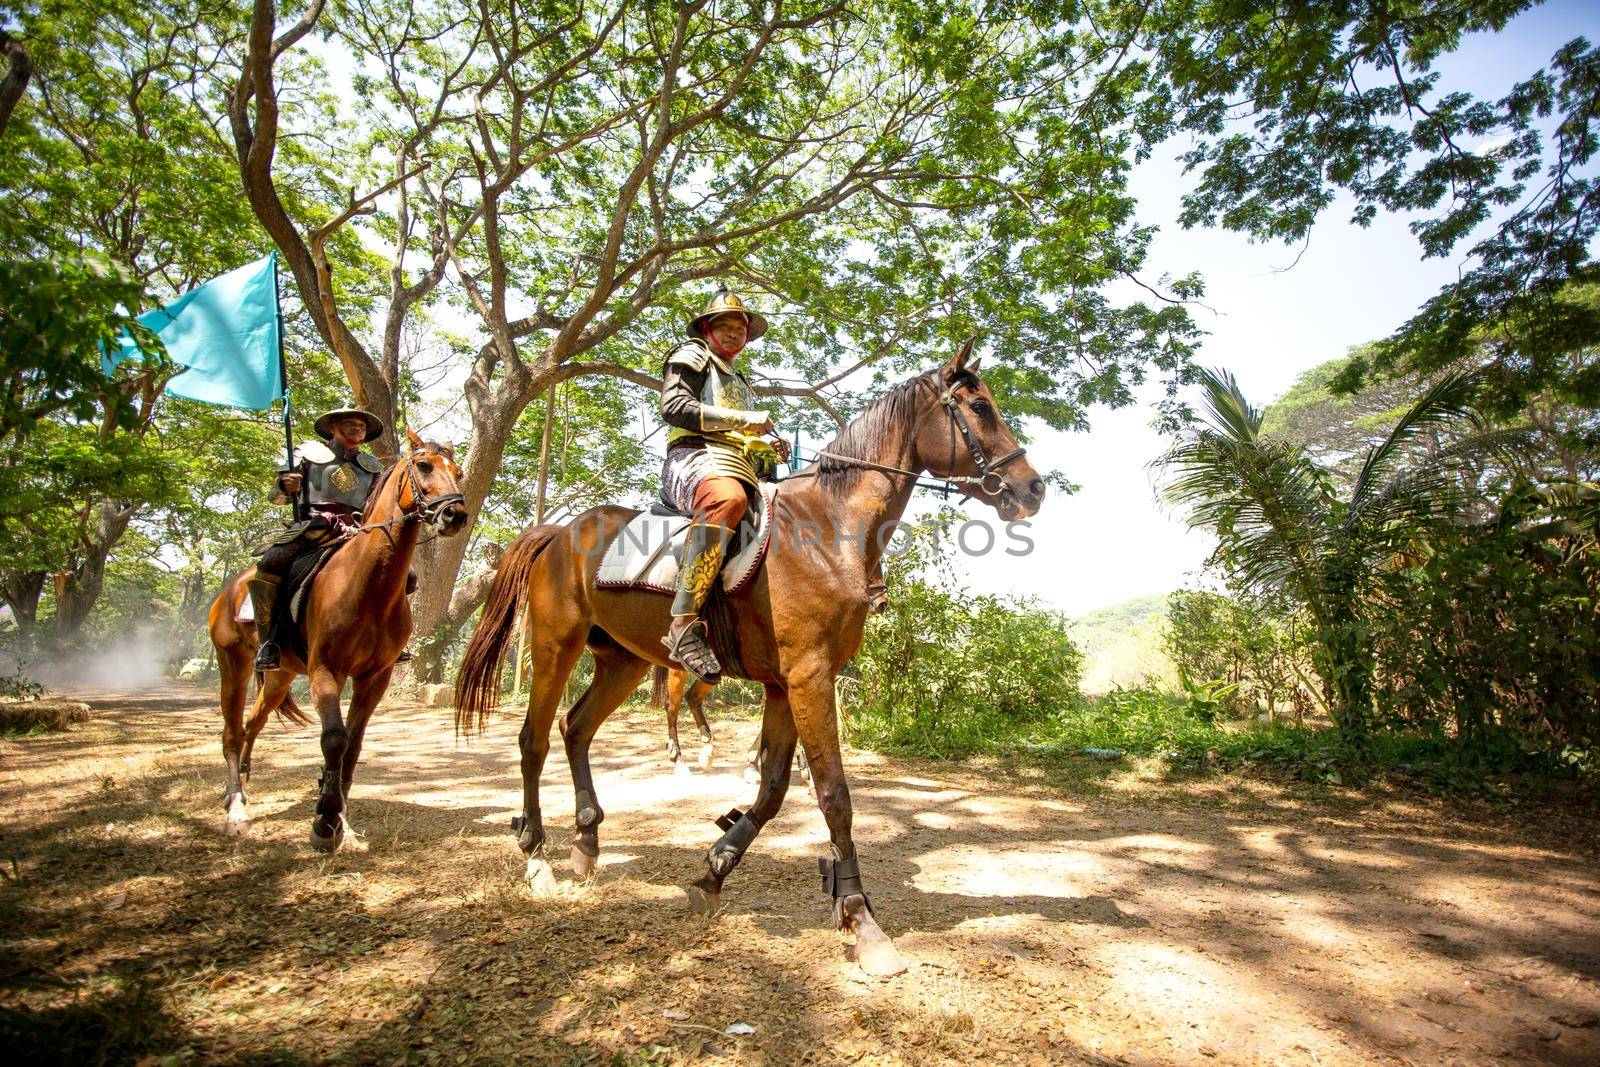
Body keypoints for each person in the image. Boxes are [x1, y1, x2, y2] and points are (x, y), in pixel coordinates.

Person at [658, 289, 789, 682]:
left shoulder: (741, 380)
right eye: (725, 326)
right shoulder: (692, 355)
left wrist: (768, 446)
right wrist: (745, 419)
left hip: (740, 464)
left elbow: (744, 438)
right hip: (693, 457)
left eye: (740, 329)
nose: (734, 334)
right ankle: (682, 624)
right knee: (727, 499)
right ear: (706, 329)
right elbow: (674, 407)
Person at [248, 403, 385, 671]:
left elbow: (377, 504)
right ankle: (269, 642)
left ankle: (389, 640)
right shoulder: (307, 453)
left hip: (356, 531)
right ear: (333, 426)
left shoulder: (371, 466)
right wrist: (285, 486)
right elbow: (275, 498)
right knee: (271, 563)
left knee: (402, 573)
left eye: (362, 425)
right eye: (350, 423)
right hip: (312, 527)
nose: (357, 428)